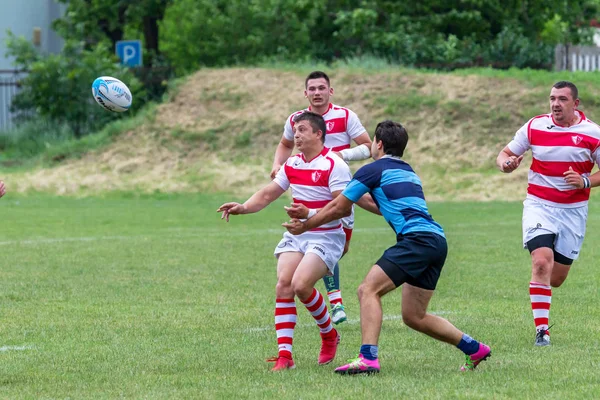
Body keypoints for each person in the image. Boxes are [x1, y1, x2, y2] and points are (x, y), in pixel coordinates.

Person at [283, 120, 491, 374]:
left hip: (416, 240)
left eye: (371, 141)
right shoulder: (406, 171)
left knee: (367, 290)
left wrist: (306, 224)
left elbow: (340, 207)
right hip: (436, 241)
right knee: (414, 316)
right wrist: (350, 189)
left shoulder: (373, 170)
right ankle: (475, 348)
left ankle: (368, 357)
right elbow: (378, 205)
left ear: (378, 144)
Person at [218, 111, 376, 371]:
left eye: (302, 129)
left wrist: (309, 215)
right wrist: (243, 207)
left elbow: (342, 208)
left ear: (318, 134)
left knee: (301, 285)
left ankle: (328, 334)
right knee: (283, 285)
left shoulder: (334, 165)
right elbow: (269, 193)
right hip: (298, 232)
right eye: (295, 130)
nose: (296, 135)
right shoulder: (292, 164)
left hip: (327, 234)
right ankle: (285, 356)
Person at [496, 81, 600, 346]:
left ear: (575, 104)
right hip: (539, 204)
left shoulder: (592, 133)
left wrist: (586, 181)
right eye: (552, 98)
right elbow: (505, 153)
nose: (556, 104)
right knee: (541, 262)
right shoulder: (534, 126)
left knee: (556, 278)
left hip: (573, 212)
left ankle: (542, 288)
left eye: (563, 99)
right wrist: (506, 165)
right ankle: (542, 331)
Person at [271, 71, 373, 325]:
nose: (317, 92)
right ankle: (335, 300)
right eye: (312, 89)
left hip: (339, 189)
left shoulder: (345, 116)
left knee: (340, 249)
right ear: (305, 93)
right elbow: (285, 144)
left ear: (330, 91)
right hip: (311, 190)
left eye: (321, 88)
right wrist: (277, 164)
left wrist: (342, 156)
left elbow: (368, 146)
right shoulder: (297, 120)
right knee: (322, 242)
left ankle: (325, 292)